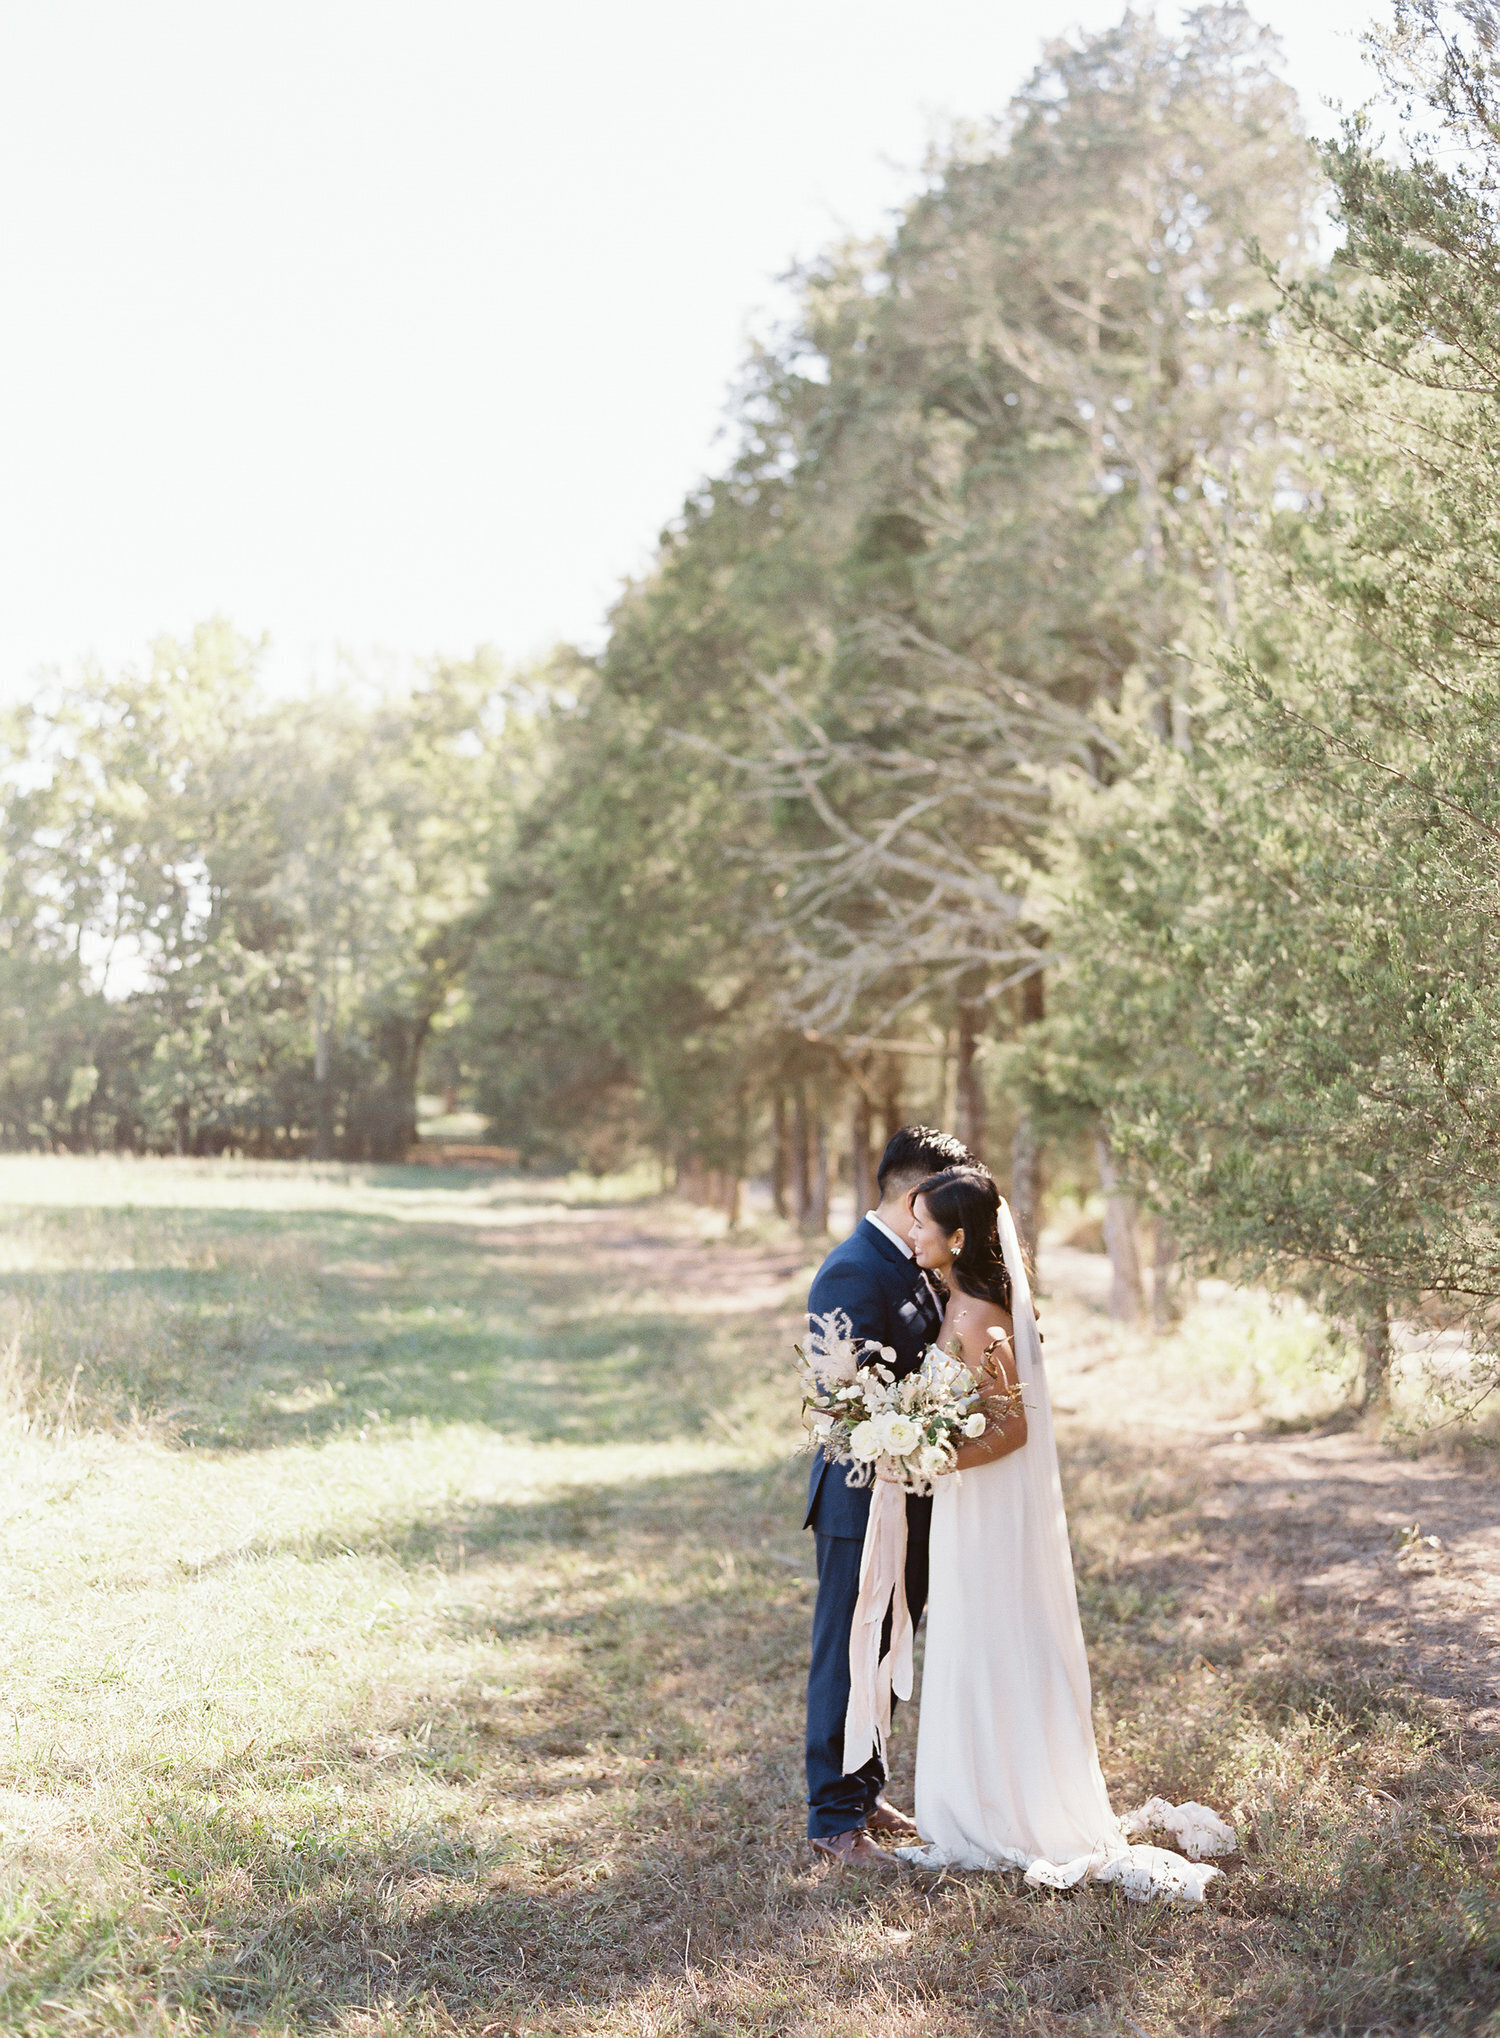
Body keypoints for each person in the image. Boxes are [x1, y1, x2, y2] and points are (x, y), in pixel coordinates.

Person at [898, 1167, 1233, 1900]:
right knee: (972, 1635)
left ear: (957, 1238)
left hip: (985, 1504)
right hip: (967, 1502)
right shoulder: (958, 1304)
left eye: (923, 1223)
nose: (913, 1232)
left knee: (992, 1635)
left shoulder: (981, 1316)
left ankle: (1003, 1807)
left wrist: (934, 1451)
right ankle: (978, 1795)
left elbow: (1012, 1426)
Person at [802, 1123, 981, 1869]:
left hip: (913, 1493)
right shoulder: (852, 1269)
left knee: (889, 1650)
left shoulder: (913, 1261)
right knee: (848, 1653)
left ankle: (866, 1789)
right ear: (915, 1197)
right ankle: (832, 1819)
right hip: (860, 1500)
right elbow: (838, 1400)